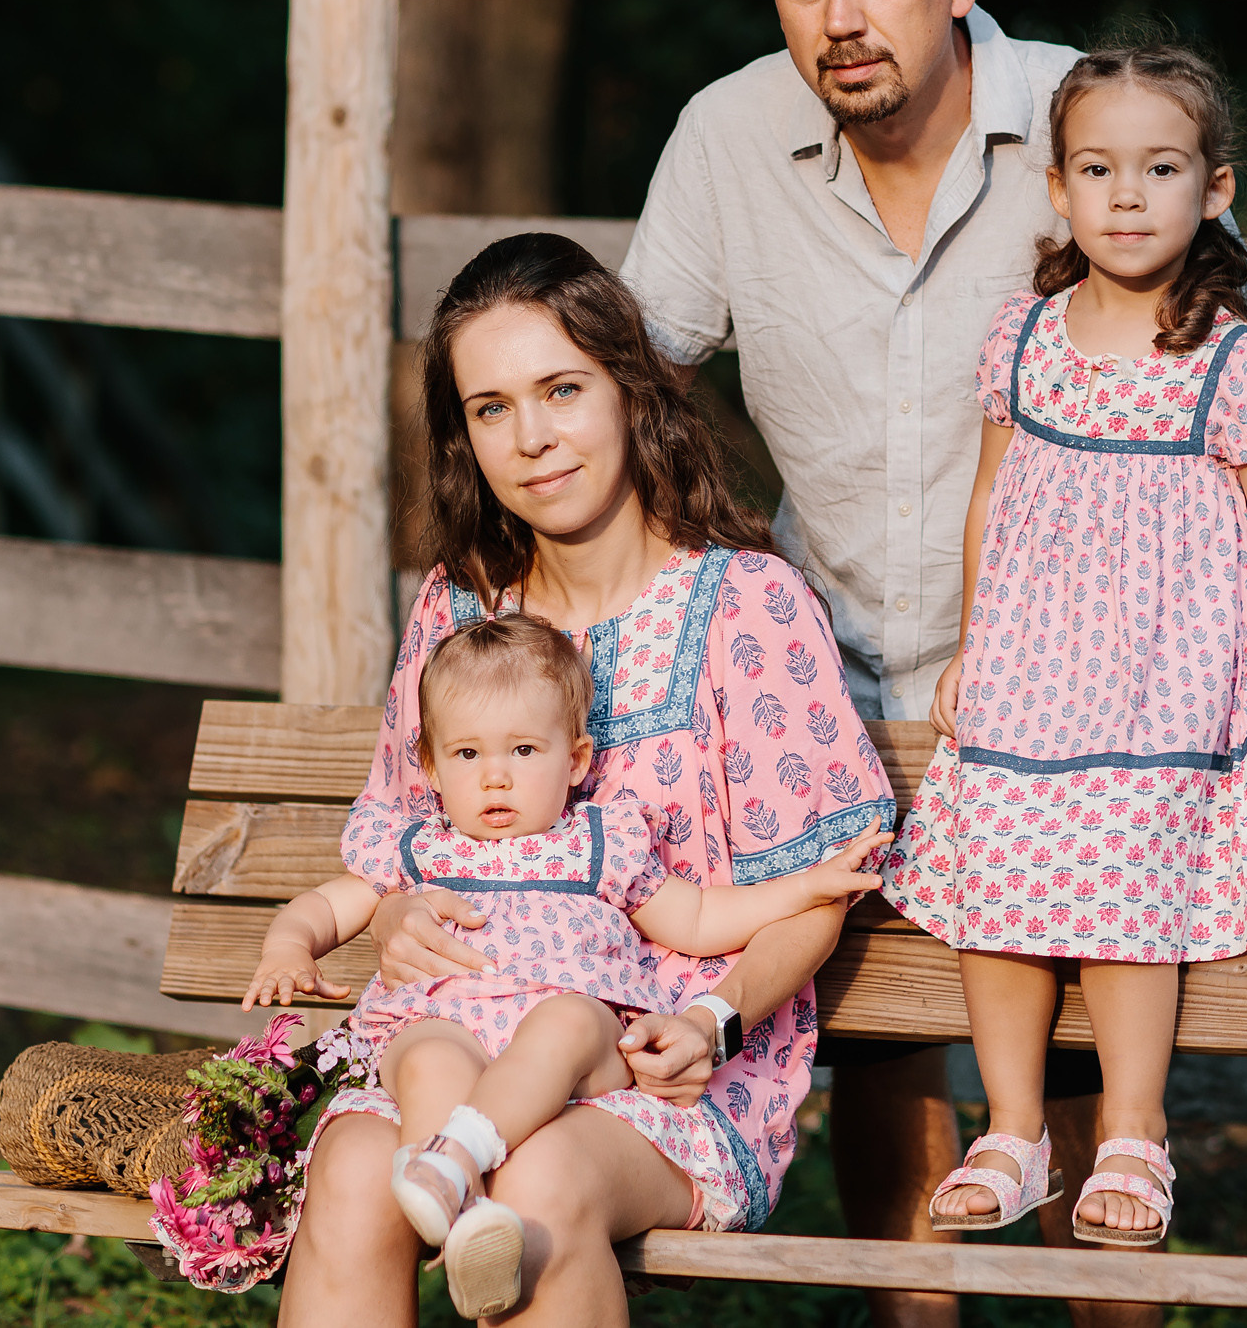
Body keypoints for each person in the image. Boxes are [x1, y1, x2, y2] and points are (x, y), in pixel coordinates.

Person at [620, 0, 1174, 1325]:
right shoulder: (728, 136)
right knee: (870, 1024)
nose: (842, 17)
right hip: (834, 678)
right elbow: (626, 390)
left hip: (1075, 690)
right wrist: (705, 605)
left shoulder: (1096, 121)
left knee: (1071, 1047)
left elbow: (1209, 393)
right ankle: (908, 1318)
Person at [881, 38, 1247, 1245]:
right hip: (1033, 666)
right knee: (996, 866)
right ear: (1058, 189)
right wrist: (975, 646)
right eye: (1096, 168)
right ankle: (1014, 1127)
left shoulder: (1231, 365)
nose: (1125, 197)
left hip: (1163, 676)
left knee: (1125, 867)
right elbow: (991, 498)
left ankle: (1134, 1128)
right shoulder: (1023, 341)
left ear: (1214, 191)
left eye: (1158, 169)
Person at [275, 233, 898, 1327]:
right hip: (452, 1041)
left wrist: (715, 1017)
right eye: (491, 407)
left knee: (539, 1186)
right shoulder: (455, 606)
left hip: (661, 1065)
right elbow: (402, 829)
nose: (532, 439)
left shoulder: (745, 605)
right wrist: (403, 915)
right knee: (349, 1181)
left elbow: (813, 893)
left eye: (561, 390)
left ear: (630, 391)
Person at [247, 612, 887, 1319]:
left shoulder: (598, 845)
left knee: (571, 1017)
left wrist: (805, 884)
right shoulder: (419, 850)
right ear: (429, 766)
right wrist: (287, 946)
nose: (495, 776)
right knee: (427, 1051)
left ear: (576, 759)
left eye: (523, 749)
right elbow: (326, 906)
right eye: (466, 755)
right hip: (449, 1034)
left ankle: (459, 1161)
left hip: (573, 1073)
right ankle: (460, 1209)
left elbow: (703, 917)